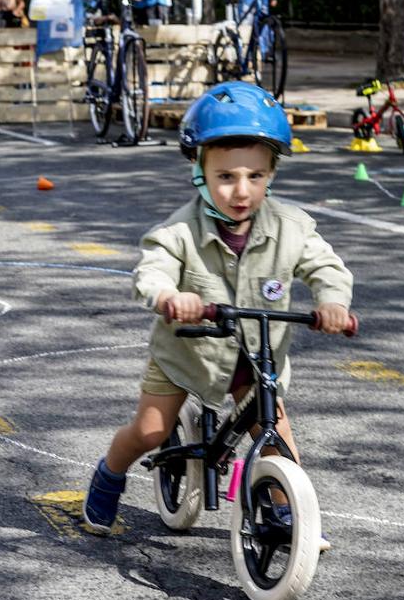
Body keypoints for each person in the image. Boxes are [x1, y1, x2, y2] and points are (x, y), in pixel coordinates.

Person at [82, 82, 353, 545]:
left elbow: (326, 267)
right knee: (150, 431)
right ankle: (109, 474)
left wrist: (333, 304)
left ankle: (289, 517)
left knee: (276, 434)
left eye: (255, 176)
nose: (241, 191)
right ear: (199, 170)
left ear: (271, 173)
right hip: (187, 354)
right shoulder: (179, 231)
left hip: (257, 358)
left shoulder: (292, 227)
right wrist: (170, 297)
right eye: (226, 176)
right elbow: (152, 271)